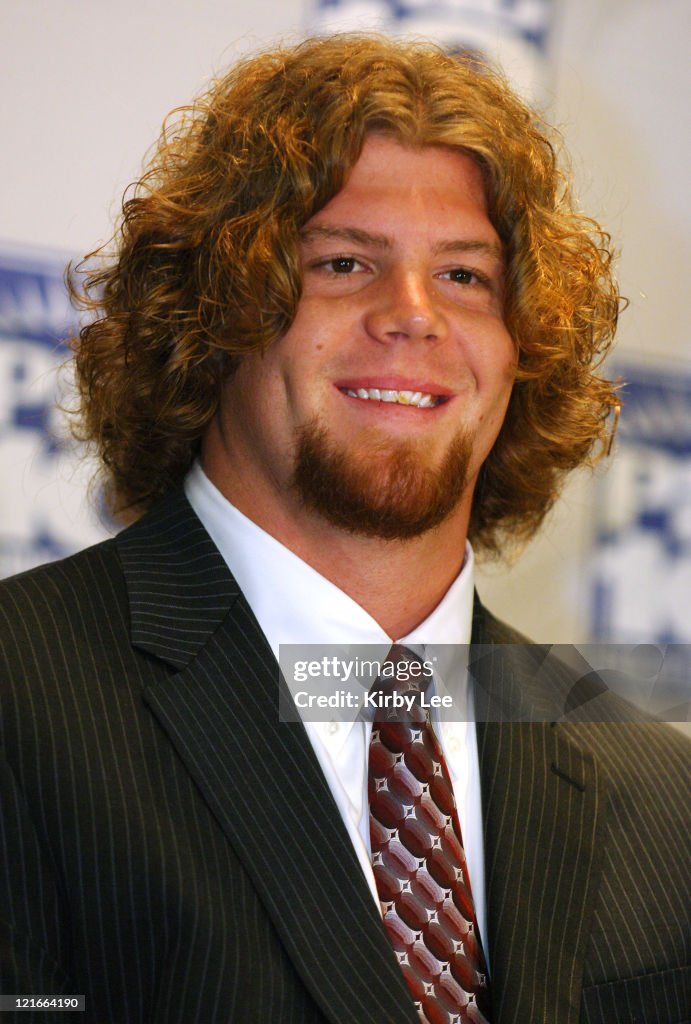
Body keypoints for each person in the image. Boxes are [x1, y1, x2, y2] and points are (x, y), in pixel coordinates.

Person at [1, 34, 688, 1024]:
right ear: (209, 320)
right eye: (342, 261)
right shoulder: (22, 701)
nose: (411, 315)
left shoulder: (662, 793)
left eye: (464, 277)